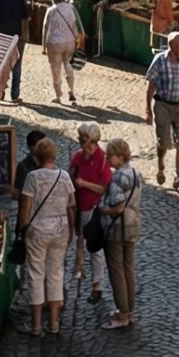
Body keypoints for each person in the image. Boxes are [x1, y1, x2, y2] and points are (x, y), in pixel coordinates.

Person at [16, 137, 77, 338]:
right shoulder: (64, 176)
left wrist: (22, 229)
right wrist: (71, 230)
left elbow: (25, 208)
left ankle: (35, 325)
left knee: (36, 274)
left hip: (38, 230)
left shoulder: (32, 177)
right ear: (55, 155)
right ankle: (54, 322)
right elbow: (71, 205)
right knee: (56, 273)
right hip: (60, 229)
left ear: (37, 156)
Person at [145, 33, 179, 190]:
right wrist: (148, 109)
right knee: (164, 141)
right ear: (170, 45)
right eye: (178, 45)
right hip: (163, 105)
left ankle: (178, 176)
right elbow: (151, 85)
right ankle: (161, 164)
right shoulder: (160, 60)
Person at [101, 137, 143, 328]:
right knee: (128, 269)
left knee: (117, 271)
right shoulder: (136, 173)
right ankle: (129, 310)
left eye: (110, 156)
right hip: (132, 225)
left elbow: (117, 207)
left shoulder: (118, 177)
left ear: (119, 156)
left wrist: (104, 211)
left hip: (117, 228)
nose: (107, 159)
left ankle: (122, 313)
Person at [69, 122, 112, 301]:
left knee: (94, 247)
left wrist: (84, 184)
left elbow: (105, 189)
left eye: (84, 139)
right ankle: (79, 268)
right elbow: (70, 177)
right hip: (78, 206)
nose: (81, 142)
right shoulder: (78, 156)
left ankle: (97, 285)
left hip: (94, 208)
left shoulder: (102, 160)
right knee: (78, 240)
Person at [42, 0, 84, 103]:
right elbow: (78, 24)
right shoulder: (71, 7)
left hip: (54, 43)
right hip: (70, 42)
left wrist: (44, 46)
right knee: (68, 65)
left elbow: (45, 28)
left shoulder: (51, 10)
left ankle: (58, 95)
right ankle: (71, 90)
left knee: (55, 69)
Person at [0, 0, 30, 102]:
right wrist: (24, 34)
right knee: (17, 64)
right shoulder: (20, 0)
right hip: (16, 36)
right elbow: (25, 18)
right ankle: (15, 95)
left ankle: (1, 93)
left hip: (2, 35)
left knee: (3, 65)